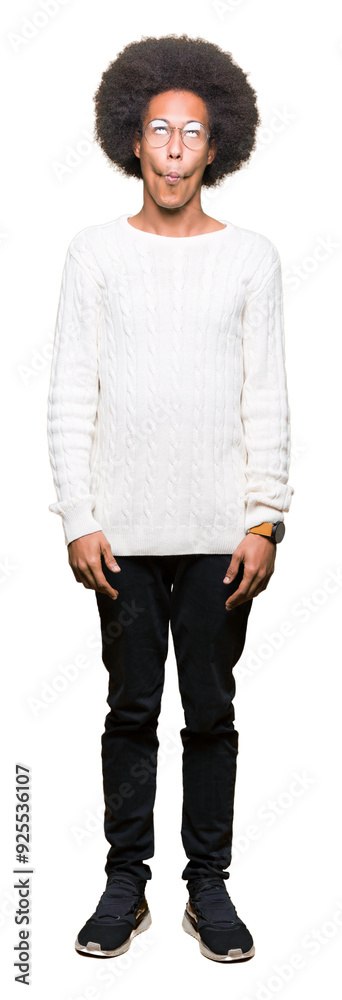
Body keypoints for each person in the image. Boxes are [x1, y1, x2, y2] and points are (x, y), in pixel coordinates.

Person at [47, 33, 295, 964]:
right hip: (122, 537)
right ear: (134, 140)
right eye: (162, 129)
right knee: (129, 712)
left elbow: (266, 392)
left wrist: (266, 517)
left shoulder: (255, 259)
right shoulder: (94, 255)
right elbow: (71, 391)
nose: (178, 146)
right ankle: (125, 883)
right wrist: (80, 517)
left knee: (212, 714)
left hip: (220, 538)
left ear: (218, 142)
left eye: (194, 130)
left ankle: (209, 886)